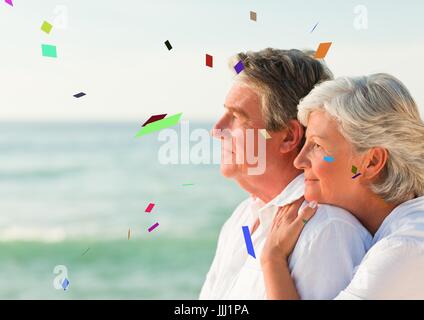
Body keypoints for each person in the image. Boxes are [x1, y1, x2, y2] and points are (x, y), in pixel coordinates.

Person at [199, 48, 372, 300]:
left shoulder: (327, 231)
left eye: (237, 117)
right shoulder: (242, 219)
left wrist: (273, 260)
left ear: (289, 137)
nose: (217, 130)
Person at [261, 73, 424, 299]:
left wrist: (273, 258)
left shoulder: (403, 249)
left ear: (371, 162)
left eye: (317, 146)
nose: (299, 161)